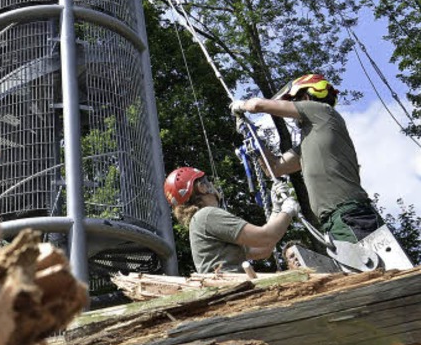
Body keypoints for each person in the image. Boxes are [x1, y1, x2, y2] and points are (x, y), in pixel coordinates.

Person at [230, 72, 384, 243]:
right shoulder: (310, 141)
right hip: (335, 220)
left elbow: (257, 105)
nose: (293, 106)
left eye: (295, 101)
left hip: (350, 215)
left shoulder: (323, 111)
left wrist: (241, 105)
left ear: (306, 97)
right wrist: (255, 142)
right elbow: (274, 168)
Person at [163, 166, 298, 274]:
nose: (211, 184)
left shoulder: (201, 220)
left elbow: (264, 248)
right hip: (234, 292)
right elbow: (265, 237)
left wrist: (277, 209)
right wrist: (288, 210)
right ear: (202, 187)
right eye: (207, 181)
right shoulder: (207, 215)